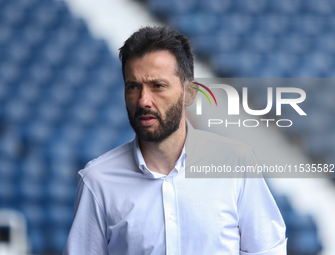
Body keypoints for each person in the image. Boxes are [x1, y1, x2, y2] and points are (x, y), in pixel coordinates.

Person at [63, 26, 287, 255]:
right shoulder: (98, 181)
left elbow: (268, 249)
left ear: (189, 94)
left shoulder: (236, 163)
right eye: (133, 87)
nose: (143, 101)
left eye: (157, 86)